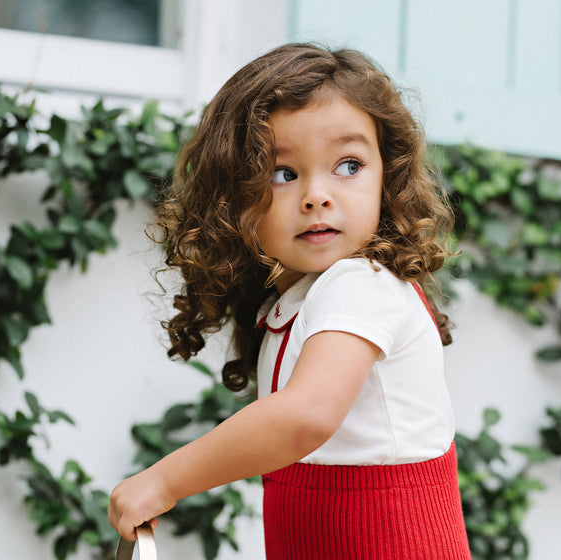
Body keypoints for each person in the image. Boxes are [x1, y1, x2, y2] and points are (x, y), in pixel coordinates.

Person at [108, 43, 472, 559]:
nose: (317, 195)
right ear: (235, 203)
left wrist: (164, 481)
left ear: (386, 176)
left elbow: (306, 416)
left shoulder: (361, 284)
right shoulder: (298, 302)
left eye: (348, 165)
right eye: (283, 174)